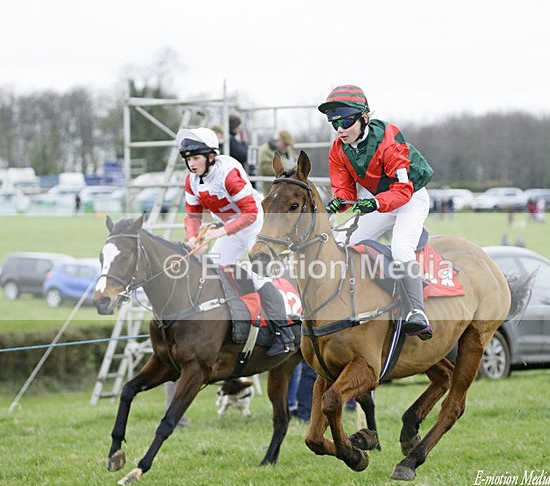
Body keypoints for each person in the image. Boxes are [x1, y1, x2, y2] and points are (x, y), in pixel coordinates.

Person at [319, 84, 434, 340]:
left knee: (401, 249)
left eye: (346, 121)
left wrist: (374, 204)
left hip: (411, 197)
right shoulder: (338, 149)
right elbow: (345, 190)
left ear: (364, 117)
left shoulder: (389, 138)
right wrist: (339, 202)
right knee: (340, 241)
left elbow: (403, 190)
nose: (340, 129)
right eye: (334, 123)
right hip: (381, 200)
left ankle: (417, 311)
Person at [176, 127, 295, 356]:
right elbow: (192, 215)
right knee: (213, 272)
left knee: (257, 275)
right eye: (188, 159)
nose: (191, 164)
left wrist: (220, 232)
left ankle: (285, 334)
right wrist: (191, 237)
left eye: (196, 158)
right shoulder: (191, 181)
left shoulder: (228, 173)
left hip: (255, 225)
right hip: (231, 229)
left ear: (211, 156)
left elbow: (250, 213)